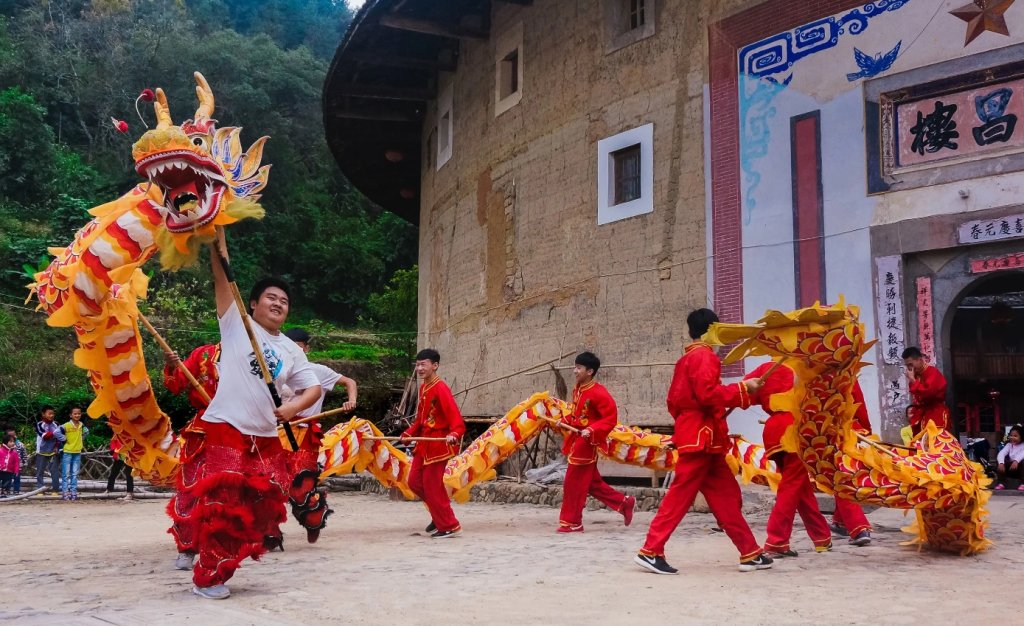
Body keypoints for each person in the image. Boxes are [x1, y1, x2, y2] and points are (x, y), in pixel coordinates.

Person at [173, 231, 321, 600]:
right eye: (271, 297)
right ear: (252, 303)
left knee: (262, 509)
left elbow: (314, 389)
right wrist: (216, 239)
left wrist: (292, 408)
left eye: (284, 301)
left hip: (266, 437)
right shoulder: (237, 324)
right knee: (224, 505)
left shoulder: (290, 349)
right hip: (226, 427)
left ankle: (222, 561)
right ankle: (208, 577)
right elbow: (222, 276)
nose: (278, 303)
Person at [634, 308, 770, 575]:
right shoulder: (704, 357)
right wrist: (744, 389)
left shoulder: (686, 359)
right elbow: (708, 395)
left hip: (703, 437)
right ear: (711, 329)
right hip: (702, 438)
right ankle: (651, 549)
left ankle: (749, 552)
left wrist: (687, 424)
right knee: (680, 496)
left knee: (726, 497)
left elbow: (674, 402)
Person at [745, 362, 832, 558]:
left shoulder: (766, 367)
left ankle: (821, 538)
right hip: (793, 428)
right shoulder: (802, 366)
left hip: (773, 428)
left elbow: (746, 391)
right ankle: (777, 540)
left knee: (800, 486)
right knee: (792, 486)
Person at [282, 327, 358, 543]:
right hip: (277, 432)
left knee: (302, 484)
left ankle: (313, 520)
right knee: (271, 482)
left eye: (298, 348)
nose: (293, 353)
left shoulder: (318, 371)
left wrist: (350, 399)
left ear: (306, 348)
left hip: (305, 434)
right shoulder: (276, 371)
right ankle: (269, 532)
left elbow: (349, 382)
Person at [556, 351, 635, 533]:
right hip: (577, 439)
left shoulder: (599, 393)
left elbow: (610, 418)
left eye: (579, 368)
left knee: (573, 482)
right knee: (591, 483)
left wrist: (592, 430)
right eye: (575, 367)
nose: (575, 371)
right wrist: (566, 421)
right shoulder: (578, 389)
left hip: (587, 443)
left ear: (590, 371)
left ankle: (572, 522)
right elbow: (577, 415)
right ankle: (624, 503)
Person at [162, 342, 220, 570]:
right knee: (190, 488)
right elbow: (176, 384)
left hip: (240, 428)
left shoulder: (257, 352)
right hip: (204, 429)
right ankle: (186, 547)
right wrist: (171, 366)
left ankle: (221, 553)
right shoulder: (204, 353)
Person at [401, 349, 466, 538]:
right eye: (418, 364)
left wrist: (454, 433)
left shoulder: (441, 388)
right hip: (424, 444)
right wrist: (408, 433)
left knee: (432, 485)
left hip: (438, 445)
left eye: (424, 364)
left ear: (435, 366)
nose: (420, 368)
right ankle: (439, 516)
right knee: (414, 482)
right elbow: (420, 421)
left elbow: (457, 421)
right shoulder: (424, 388)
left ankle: (450, 526)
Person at [832, 381, 872, 546]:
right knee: (841, 477)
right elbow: (859, 405)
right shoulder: (849, 375)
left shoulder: (818, 374)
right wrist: (866, 429)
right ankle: (840, 522)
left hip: (835, 434)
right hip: (852, 432)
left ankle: (858, 528)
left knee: (840, 479)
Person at [901, 347, 950, 435]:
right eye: (907, 365)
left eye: (910, 364)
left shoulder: (932, 372)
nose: (909, 368)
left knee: (934, 443)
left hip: (935, 414)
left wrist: (913, 380)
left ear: (919, 360)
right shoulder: (916, 375)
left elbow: (928, 393)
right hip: (921, 415)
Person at [59, 407, 89, 500]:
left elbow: (87, 432)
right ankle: (65, 492)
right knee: (66, 473)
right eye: (75, 414)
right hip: (67, 452)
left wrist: (80, 440)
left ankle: (73, 492)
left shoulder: (81, 425)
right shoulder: (67, 425)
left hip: (77, 452)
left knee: (75, 474)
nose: (77, 415)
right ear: (71, 415)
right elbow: (56, 432)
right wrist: (64, 439)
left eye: (79, 413)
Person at [35, 406, 65, 494]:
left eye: (53, 413)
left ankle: (55, 490)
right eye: (49, 413)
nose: (52, 415)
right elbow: (45, 436)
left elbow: (59, 438)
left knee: (54, 471)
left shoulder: (56, 424)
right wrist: (55, 433)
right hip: (41, 451)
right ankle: (40, 490)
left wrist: (57, 447)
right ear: (43, 414)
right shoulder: (39, 424)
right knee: (40, 471)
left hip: (53, 451)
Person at [995, 424, 1024, 491]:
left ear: (1022, 437)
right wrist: (1001, 463)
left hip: (1020, 470)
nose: (1012, 437)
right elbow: (1001, 453)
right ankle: (1001, 483)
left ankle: (1023, 484)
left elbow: (1022, 454)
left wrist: (1016, 461)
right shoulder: (1009, 445)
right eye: (1011, 435)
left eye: (1015, 436)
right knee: (1000, 461)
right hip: (1011, 469)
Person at [4, 427, 27, 495]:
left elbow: (24, 454)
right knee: (7, 478)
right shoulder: (4, 445)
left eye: (13, 435)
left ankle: (16, 491)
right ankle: (6, 490)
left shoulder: (20, 444)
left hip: (18, 465)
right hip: (7, 466)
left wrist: (24, 463)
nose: (12, 437)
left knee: (17, 478)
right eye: (10, 436)